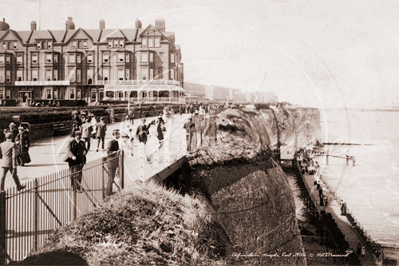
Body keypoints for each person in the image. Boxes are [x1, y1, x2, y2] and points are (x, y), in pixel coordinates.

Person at [105, 129, 120, 196]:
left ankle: (110, 192)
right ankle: (108, 193)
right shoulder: (111, 142)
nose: (119, 135)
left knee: (112, 178)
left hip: (114, 162)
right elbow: (108, 152)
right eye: (118, 134)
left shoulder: (116, 141)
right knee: (110, 179)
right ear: (114, 135)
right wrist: (116, 152)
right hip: (111, 162)